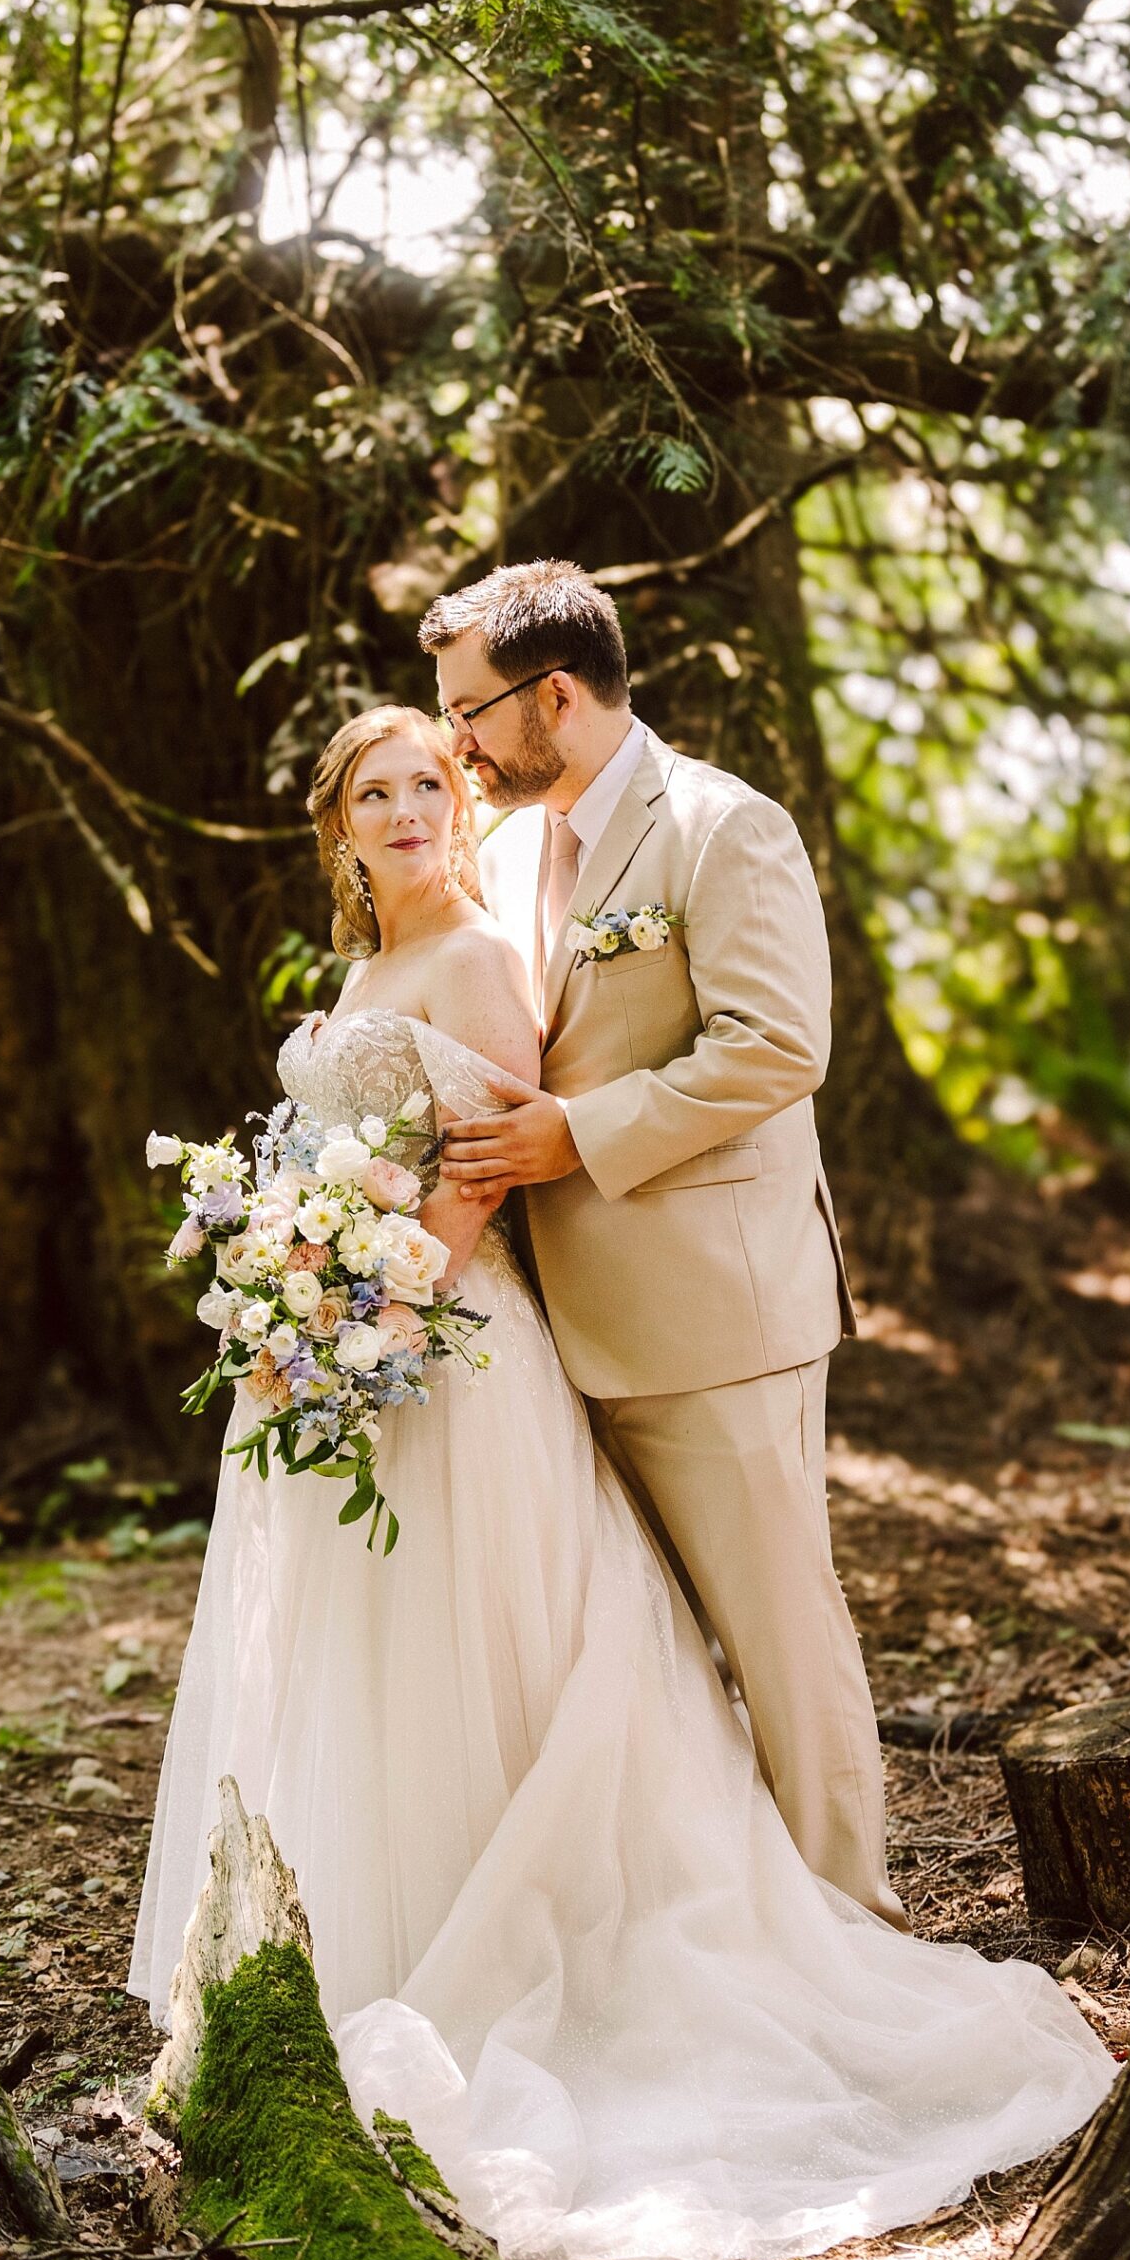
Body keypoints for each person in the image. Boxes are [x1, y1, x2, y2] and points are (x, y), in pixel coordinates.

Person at [128, 696, 1117, 2260]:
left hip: (441, 1358)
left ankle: (562, 1951)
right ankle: (343, 1963)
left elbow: (481, 1169)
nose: (405, 812)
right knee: (359, 1671)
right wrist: (285, 1292)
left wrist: (354, 1320)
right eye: (372, 793)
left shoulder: (476, 960)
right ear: (333, 827)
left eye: (428, 784)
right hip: (339, 1358)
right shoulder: (362, 971)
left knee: (492, 1657)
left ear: (462, 801)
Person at [423, 559, 906, 1930]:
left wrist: (574, 1136)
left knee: (776, 1633)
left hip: (715, 1315)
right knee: (640, 1654)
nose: (453, 740)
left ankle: (850, 1924)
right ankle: (723, 1932)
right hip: (555, 1324)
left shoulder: (719, 828)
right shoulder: (508, 849)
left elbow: (775, 1049)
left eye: (468, 710)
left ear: (555, 694)